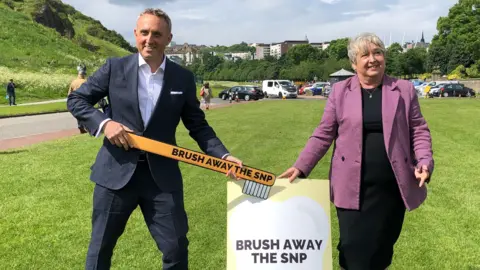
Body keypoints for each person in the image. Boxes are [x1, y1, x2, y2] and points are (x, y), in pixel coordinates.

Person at [67, 8, 243, 270]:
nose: (150, 39)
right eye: (145, 33)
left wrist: (224, 155)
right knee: (100, 248)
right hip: (114, 175)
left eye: (157, 34)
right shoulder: (114, 68)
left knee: (175, 248)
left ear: (168, 38)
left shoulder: (182, 78)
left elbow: (198, 126)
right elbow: (77, 99)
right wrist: (106, 123)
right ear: (136, 34)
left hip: (162, 178)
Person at [279, 32, 434, 270]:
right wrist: (301, 166)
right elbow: (323, 134)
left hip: (391, 188)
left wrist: (424, 160)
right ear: (354, 63)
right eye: (365, 55)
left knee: (381, 250)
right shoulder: (340, 92)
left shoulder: (403, 90)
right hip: (351, 187)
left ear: (385, 57)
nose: (373, 59)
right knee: (352, 250)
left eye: (378, 53)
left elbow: (419, 129)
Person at [68, 65, 89, 134]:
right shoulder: (86, 82)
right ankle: (84, 127)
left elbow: (69, 94)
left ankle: (81, 127)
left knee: (79, 115)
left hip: (76, 101)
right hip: (84, 101)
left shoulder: (73, 82)